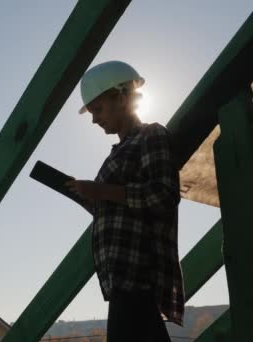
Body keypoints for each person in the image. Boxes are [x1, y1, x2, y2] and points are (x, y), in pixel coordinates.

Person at [65, 61, 184, 341]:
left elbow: (164, 195)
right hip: (122, 277)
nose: (94, 119)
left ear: (120, 97)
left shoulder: (151, 135)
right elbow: (124, 208)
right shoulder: (118, 152)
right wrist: (91, 200)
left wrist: (102, 192)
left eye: (98, 109)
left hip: (138, 273)